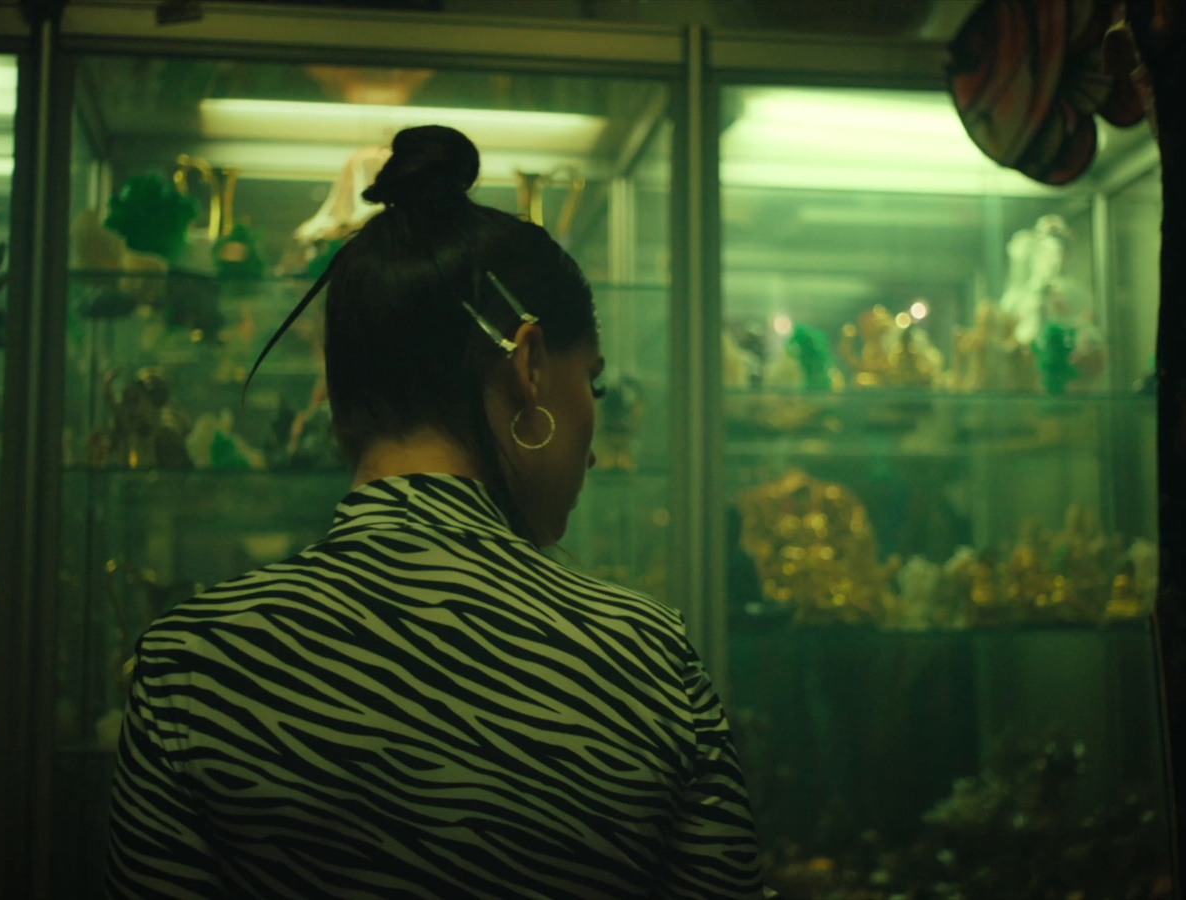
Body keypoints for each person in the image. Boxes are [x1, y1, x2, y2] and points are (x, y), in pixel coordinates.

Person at [104, 125, 764, 899]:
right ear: (529, 368)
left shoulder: (191, 667)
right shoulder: (645, 659)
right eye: (597, 383)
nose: (593, 436)